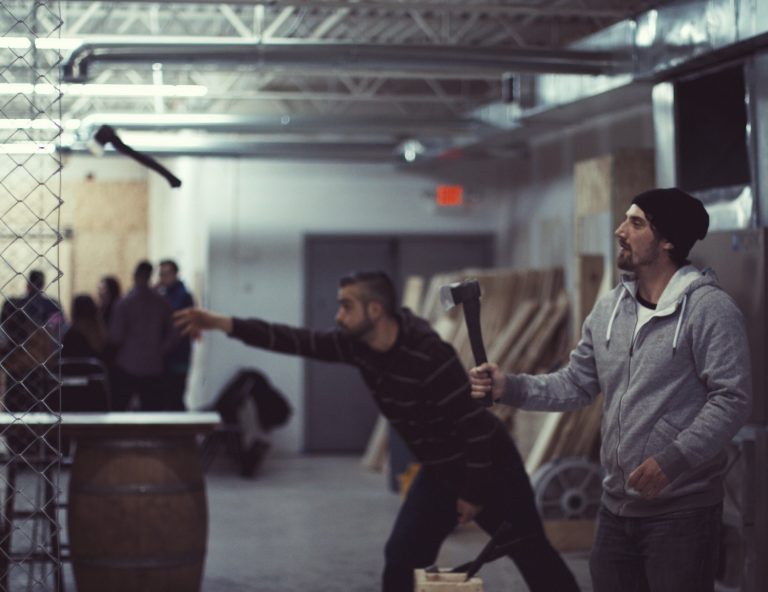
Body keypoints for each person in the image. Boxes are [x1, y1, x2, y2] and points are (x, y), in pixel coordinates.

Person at [175, 270, 580, 592]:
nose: (337, 316)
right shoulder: (358, 346)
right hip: (441, 469)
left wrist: (473, 494)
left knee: (531, 554)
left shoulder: (428, 355)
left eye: (345, 307)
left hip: (489, 466)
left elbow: (473, 428)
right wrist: (219, 322)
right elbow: (295, 340)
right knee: (402, 556)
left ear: (374, 311)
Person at [470, 188, 752, 592]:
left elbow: (733, 398)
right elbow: (577, 383)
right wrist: (508, 387)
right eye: (625, 220)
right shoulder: (610, 309)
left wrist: (674, 459)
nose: (620, 231)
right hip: (616, 511)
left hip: (681, 516)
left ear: (668, 240)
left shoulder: (709, 310)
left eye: (636, 223)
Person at [109, 261, 173, 411]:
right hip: (153, 364)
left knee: (120, 409)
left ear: (135, 275)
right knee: (151, 412)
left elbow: (116, 336)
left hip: (127, 363)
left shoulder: (125, 303)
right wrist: (161, 350)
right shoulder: (161, 303)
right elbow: (174, 333)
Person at [156, 259, 194, 410]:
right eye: (161, 274)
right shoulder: (164, 294)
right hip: (166, 355)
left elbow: (176, 321)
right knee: (166, 395)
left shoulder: (182, 295)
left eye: (166, 274)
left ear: (175, 274)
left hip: (179, 353)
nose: (163, 278)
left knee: (175, 395)